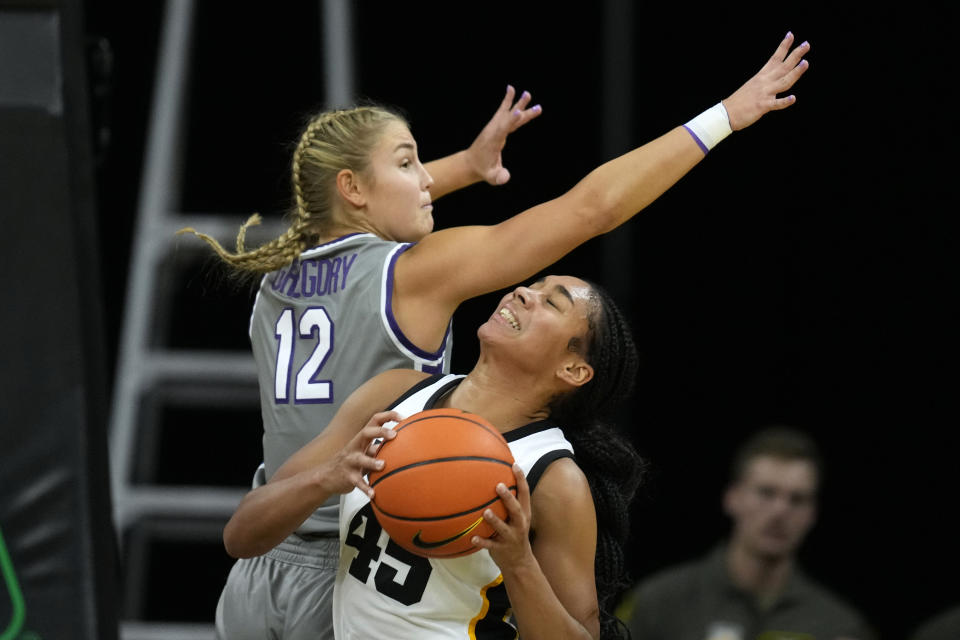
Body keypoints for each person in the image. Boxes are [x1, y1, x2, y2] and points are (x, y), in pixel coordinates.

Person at [184, 31, 810, 639]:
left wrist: (465, 167)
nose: (427, 179)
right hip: (350, 556)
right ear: (354, 186)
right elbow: (593, 208)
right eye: (410, 163)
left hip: (263, 549)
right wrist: (726, 116)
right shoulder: (413, 274)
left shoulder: (280, 273)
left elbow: (354, 205)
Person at [223, 275, 645, 639]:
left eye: (551, 301)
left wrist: (518, 565)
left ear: (573, 370)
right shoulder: (394, 394)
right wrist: (326, 478)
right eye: (531, 285)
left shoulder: (551, 476)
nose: (522, 292)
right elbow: (240, 537)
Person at [618, 426, 876, 640]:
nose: (779, 511)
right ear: (733, 498)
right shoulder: (661, 603)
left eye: (797, 499)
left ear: (812, 514)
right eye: (766, 492)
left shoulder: (837, 627)